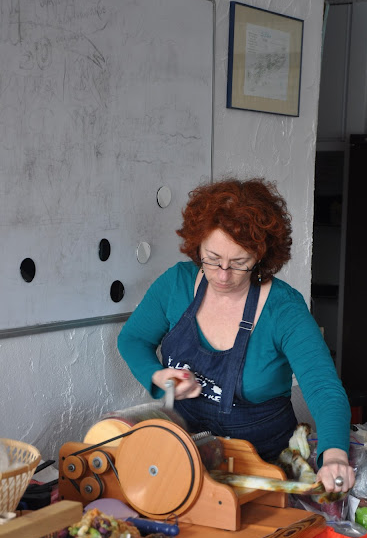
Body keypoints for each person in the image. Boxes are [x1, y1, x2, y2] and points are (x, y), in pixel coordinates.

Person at [118, 178, 355, 494]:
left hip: (268, 468)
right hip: (187, 460)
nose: (222, 275)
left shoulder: (284, 309)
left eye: (239, 263)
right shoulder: (176, 285)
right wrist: (157, 376)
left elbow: (324, 388)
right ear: (198, 245)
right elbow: (133, 339)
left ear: (261, 255)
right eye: (212, 258)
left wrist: (335, 454)